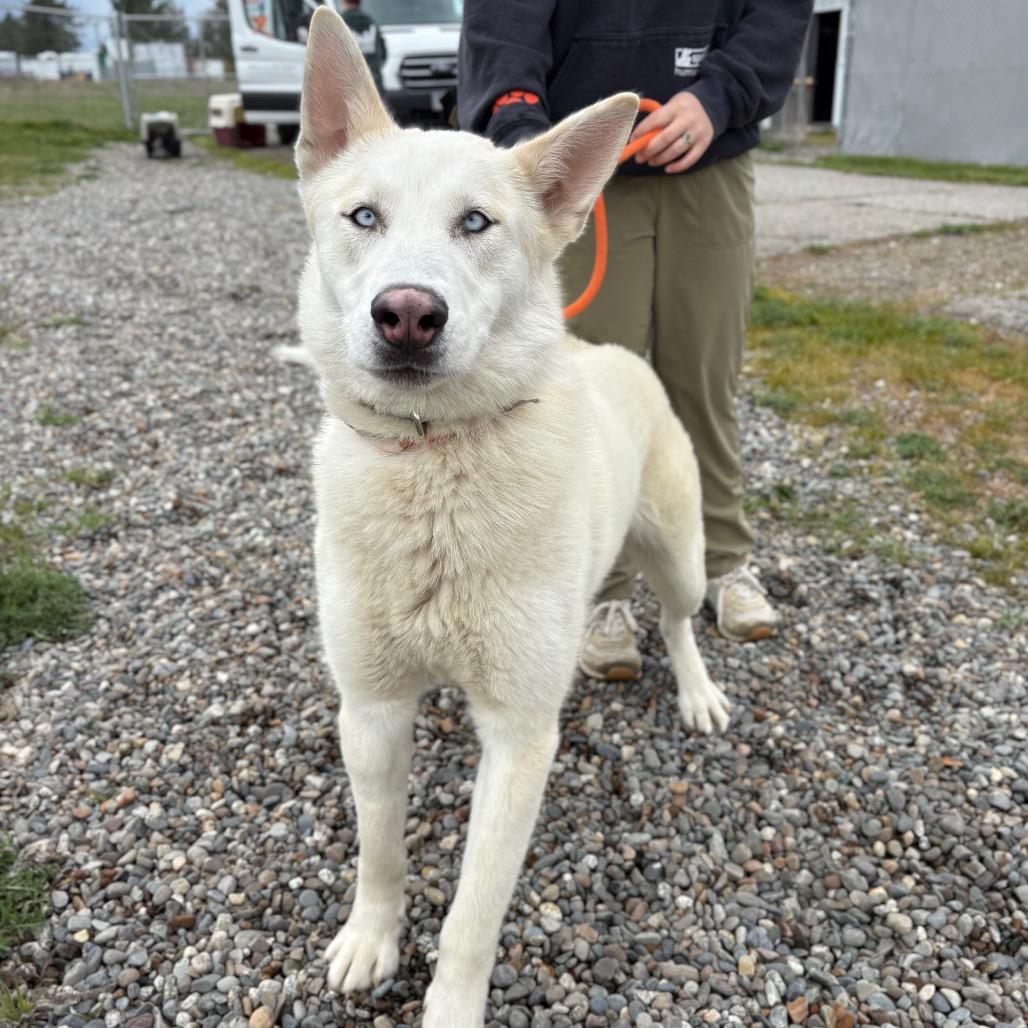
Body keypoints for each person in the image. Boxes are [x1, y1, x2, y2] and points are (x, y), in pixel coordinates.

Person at [458, 1, 812, 678]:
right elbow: (503, 22)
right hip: (581, 172)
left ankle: (722, 560)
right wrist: (526, 129)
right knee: (587, 395)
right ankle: (604, 593)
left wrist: (721, 93)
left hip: (711, 162)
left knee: (705, 382)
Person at [340, 0, 387, 95]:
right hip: (374, 83)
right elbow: (383, 53)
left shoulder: (340, 22)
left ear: (343, 2)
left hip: (349, 86)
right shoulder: (371, 21)